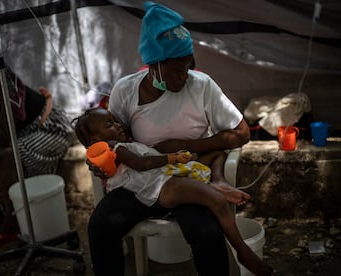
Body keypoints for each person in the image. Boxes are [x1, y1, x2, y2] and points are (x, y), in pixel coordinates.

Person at [87, 2, 274, 275]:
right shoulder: (124, 92)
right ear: (153, 65)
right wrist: (99, 161)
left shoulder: (202, 86)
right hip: (141, 182)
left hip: (186, 174)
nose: (185, 76)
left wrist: (183, 147)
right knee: (101, 226)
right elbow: (113, 141)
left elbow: (241, 133)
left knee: (207, 234)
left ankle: (239, 255)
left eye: (188, 67)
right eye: (177, 70)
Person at [75, 107, 272, 275]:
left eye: (115, 120)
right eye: (110, 124)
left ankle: (217, 182)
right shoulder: (115, 147)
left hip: (167, 175)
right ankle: (243, 253)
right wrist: (173, 157)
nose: (118, 125)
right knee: (217, 201)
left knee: (216, 157)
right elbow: (142, 163)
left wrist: (182, 155)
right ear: (96, 139)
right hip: (162, 185)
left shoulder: (124, 144)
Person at [0, 50, 73, 248]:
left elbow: (4, 139)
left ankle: (11, 224)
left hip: (49, 130)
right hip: (20, 133)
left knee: (7, 155)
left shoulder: (8, 91)